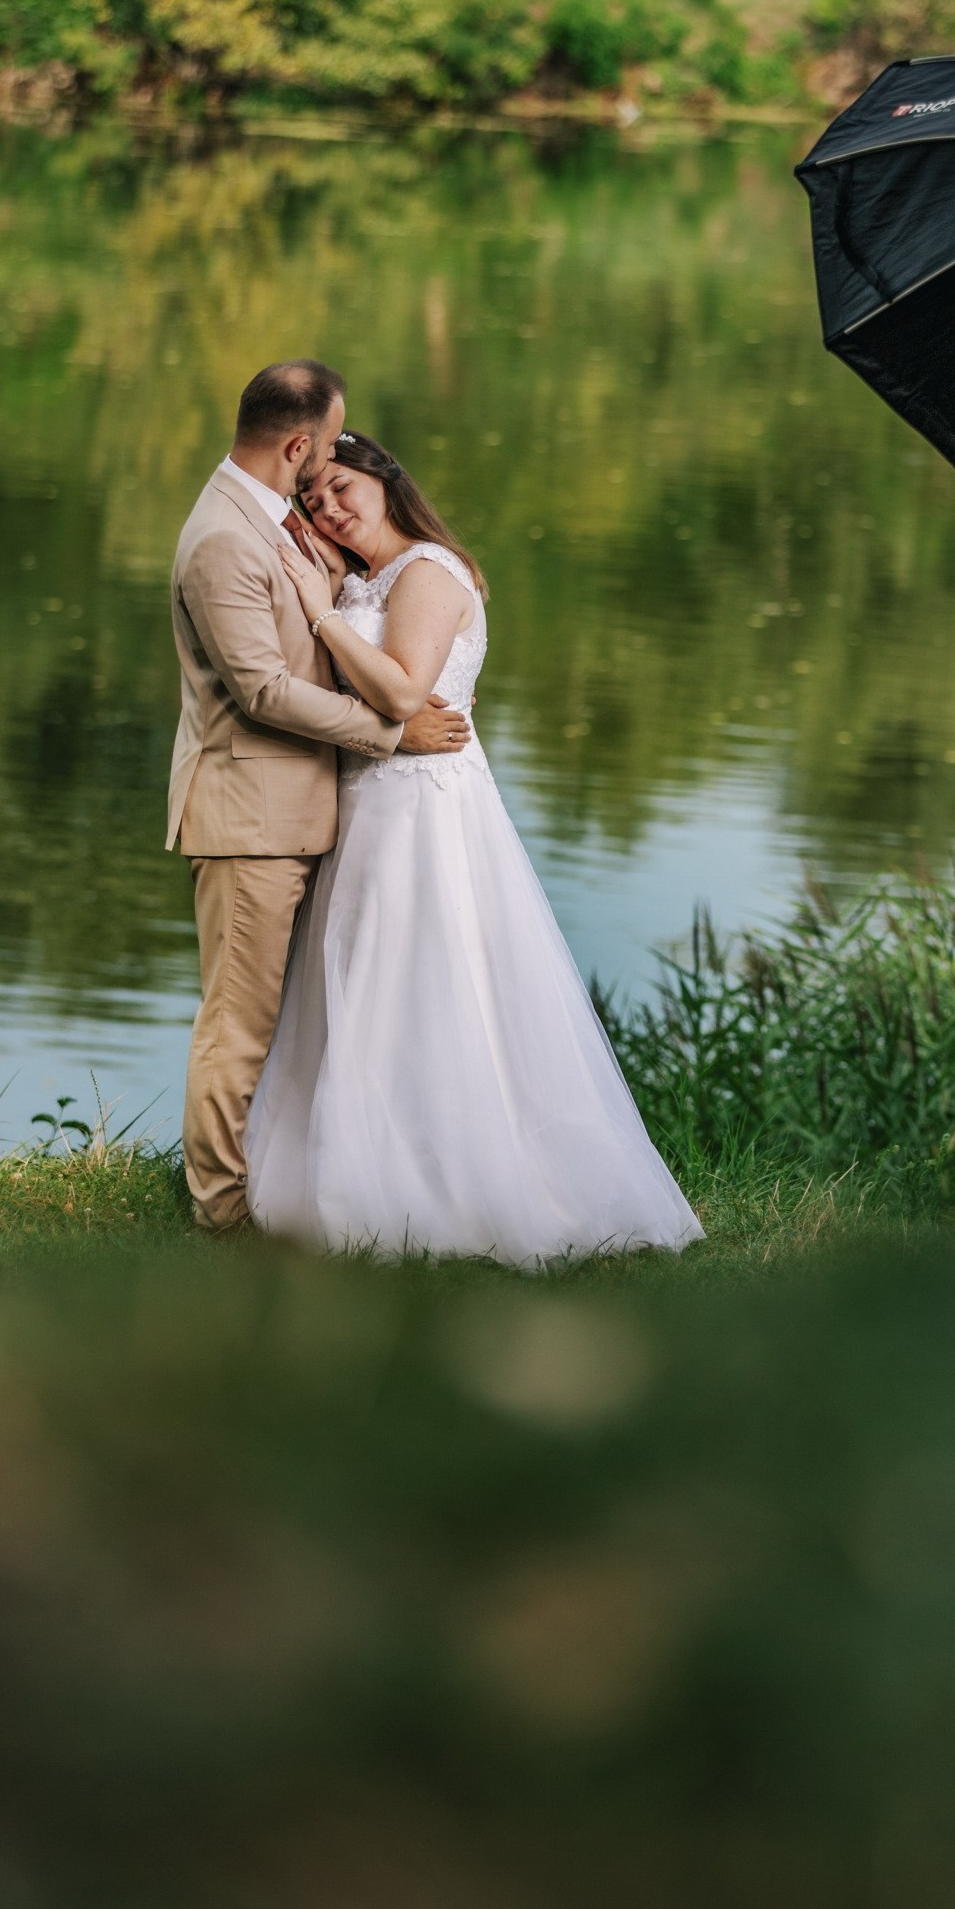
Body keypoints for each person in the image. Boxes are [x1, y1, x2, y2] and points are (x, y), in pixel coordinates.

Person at [246, 429, 702, 1266]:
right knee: (354, 974)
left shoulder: (425, 571)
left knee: (416, 974)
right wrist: (324, 590)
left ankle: (443, 1187)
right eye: (313, 500)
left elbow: (403, 691)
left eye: (342, 487)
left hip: (419, 809)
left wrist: (318, 608)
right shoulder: (365, 578)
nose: (330, 508)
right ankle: (349, 1172)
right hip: (366, 799)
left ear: (385, 479)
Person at [168, 362, 469, 1232]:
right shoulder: (224, 536)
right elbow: (261, 689)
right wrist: (390, 734)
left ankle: (297, 1182)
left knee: (304, 1021)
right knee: (239, 1027)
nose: (334, 464)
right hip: (250, 820)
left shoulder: (275, 522)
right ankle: (221, 1220)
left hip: (314, 815)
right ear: (298, 444)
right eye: (330, 445)